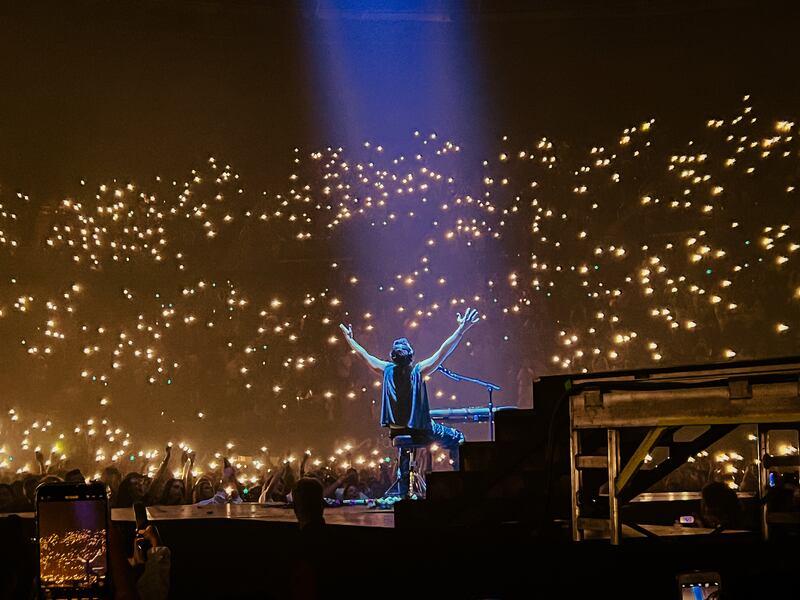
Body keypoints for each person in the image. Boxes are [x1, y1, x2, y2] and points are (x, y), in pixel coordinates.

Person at [339, 307, 480, 496]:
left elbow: (364, 355)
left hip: (397, 430)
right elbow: (443, 351)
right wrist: (461, 329)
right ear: (410, 355)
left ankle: (404, 492)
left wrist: (350, 339)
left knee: (405, 449)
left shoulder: (386, 369)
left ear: (393, 356)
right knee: (458, 439)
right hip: (420, 431)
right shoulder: (418, 370)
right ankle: (461, 488)